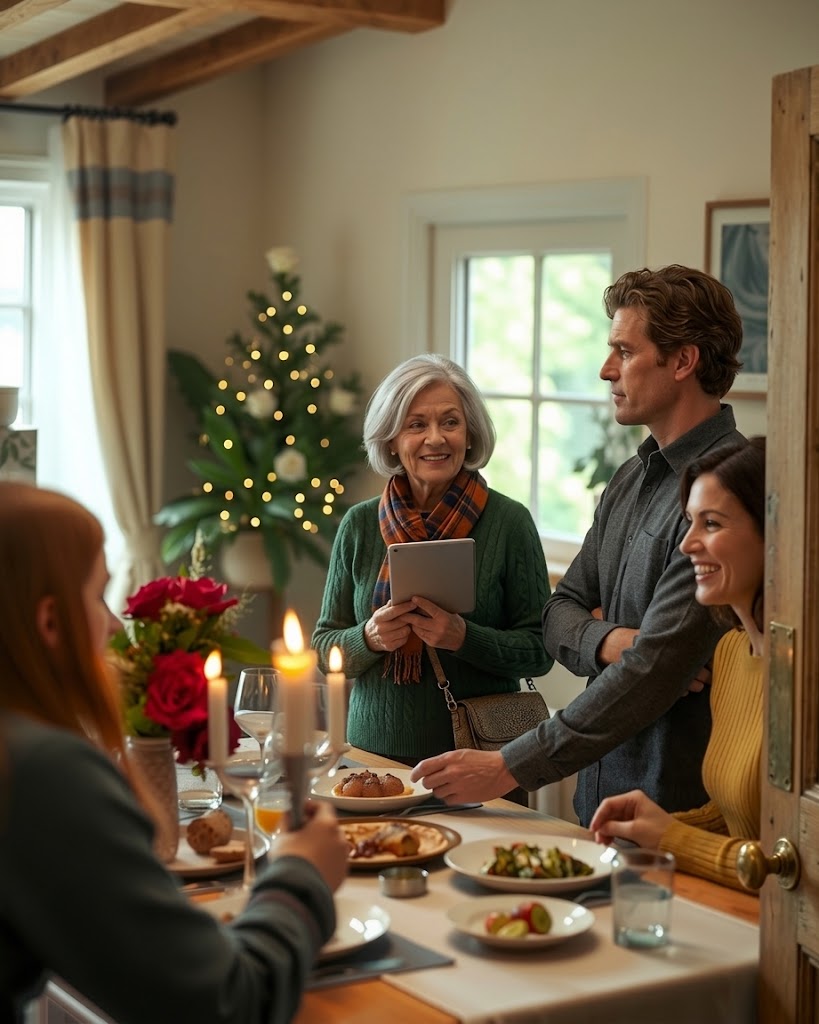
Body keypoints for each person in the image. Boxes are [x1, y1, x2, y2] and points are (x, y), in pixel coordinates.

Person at [0, 482, 350, 1024]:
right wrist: (300, 874)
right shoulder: (41, 772)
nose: (114, 626)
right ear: (49, 624)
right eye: (97, 598)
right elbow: (220, 1003)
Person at [412, 265, 745, 823]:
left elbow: (652, 673)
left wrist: (508, 766)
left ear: (683, 361)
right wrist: (612, 640)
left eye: (624, 350)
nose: (605, 369)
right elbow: (556, 614)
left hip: (676, 815)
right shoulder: (629, 479)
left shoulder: (727, 490)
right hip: (598, 801)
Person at [311, 353, 553, 764]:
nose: (436, 438)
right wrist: (368, 638)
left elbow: (540, 650)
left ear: (471, 434)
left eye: (450, 422)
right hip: (374, 759)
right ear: (391, 439)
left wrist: (463, 637)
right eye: (417, 424)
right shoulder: (358, 524)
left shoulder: (510, 522)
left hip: (481, 761)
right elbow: (323, 647)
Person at [590, 438, 765, 891]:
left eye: (711, 523)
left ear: (774, 531)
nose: (687, 544)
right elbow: (739, 818)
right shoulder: (731, 653)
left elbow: (790, 859)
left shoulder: (803, 675)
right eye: (690, 522)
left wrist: (673, 839)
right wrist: (657, 827)